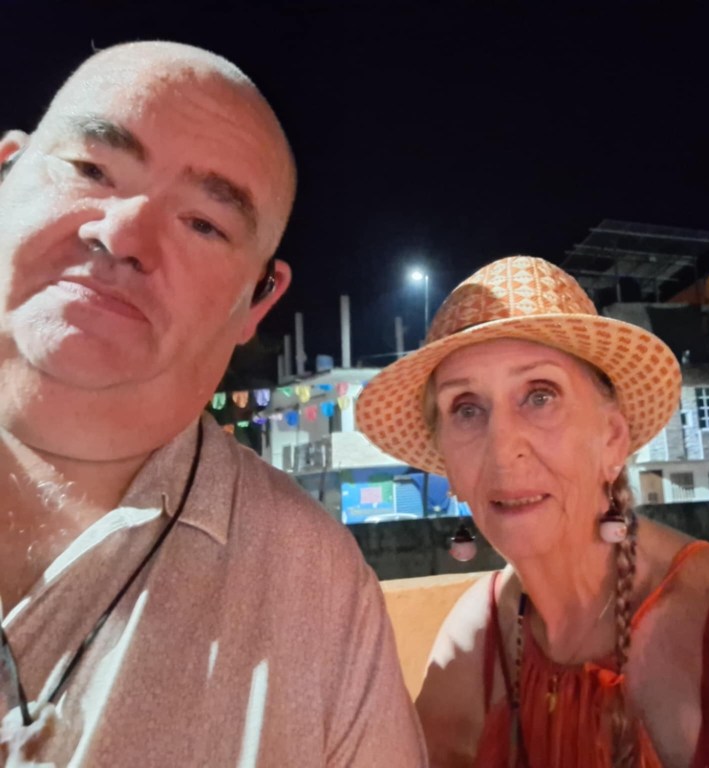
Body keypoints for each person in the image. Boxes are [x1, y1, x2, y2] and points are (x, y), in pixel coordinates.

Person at [0, 41, 426, 766]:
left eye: (203, 223)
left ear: (259, 300)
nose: (122, 235)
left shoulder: (311, 588)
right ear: (7, 172)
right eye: (91, 169)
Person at [357, 256, 709, 767]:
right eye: (466, 408)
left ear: (612, 439)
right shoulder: (479, 641)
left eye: (540, 395)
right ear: (448, 467)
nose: (503, 449)